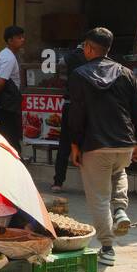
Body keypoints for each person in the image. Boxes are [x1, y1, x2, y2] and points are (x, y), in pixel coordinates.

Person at [67, 28, 137, 267]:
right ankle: (121, 209)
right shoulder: (126, 73)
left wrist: (74, 144)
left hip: (94, 144)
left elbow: (76, 114)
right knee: (120, 171)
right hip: (124, 143)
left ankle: (108, 247)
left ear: (90, 48)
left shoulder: (79, 75)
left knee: (99, 198)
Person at [51, 42, 87, 191]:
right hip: (86, 106)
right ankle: (90, 183)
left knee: (64, 145)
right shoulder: (92, 57)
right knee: (88, 144)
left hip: (70, 104)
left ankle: (58, 182)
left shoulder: (70, 56)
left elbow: (60, 65)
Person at [0, 25, 25, 154]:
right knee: (9, 138)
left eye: (22, 37)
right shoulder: (8, 58)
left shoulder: (6, 54)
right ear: (10, 40)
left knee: (7, 137)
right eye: (19, 37)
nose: (22, 39)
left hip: (4, 104)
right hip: (5, 105)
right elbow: (0, 82)